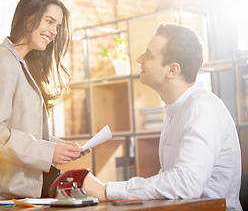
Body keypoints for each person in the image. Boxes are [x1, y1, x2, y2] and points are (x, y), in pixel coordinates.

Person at [82, 23, 242, 211]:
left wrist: (107, 190)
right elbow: (170, 184)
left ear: (172, 70)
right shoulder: (176, 111)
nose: (139, 59)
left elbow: (186, 184)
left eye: (149, 55)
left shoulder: (201, 110)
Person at [0, 0, 89, 199]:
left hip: (12, 192)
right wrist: (49, 152)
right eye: (49, 21)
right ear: (29, 16)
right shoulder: (3, 61)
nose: (54, 31)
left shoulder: (21, 64)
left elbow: (22, 130)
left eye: (57, 26)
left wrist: (60, 147)